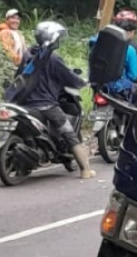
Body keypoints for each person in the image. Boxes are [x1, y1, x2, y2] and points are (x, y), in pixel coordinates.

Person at [10, 21, 95, 179]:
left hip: (23, 104)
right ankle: (85, 170)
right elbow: (68, 76)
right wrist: (82, 81)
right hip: (45, 104)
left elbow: (18, 77)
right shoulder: (53, 58)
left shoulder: (28, 54)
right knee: (69, 134)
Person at [88, 23, 137, 98]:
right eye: (134, 33)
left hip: (94, 80)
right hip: (117, 86)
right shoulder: (130, 50)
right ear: (129, 32)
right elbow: (134, 75)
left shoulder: (96, 42)